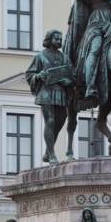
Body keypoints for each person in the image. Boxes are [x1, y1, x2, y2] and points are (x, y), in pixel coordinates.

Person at [25, 29, 73, 164]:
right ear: (49, 39)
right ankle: (52, 155)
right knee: (50, 121)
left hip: (60, 92)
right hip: (46, 91)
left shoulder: (65, 57)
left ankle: (47, 151)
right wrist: (38, 76)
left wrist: (69, 81)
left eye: (60, 39)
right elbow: (29, 74)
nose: (59, 41)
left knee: (60, 121)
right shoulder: (40, 57)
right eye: (56, 39)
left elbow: (72, 75)